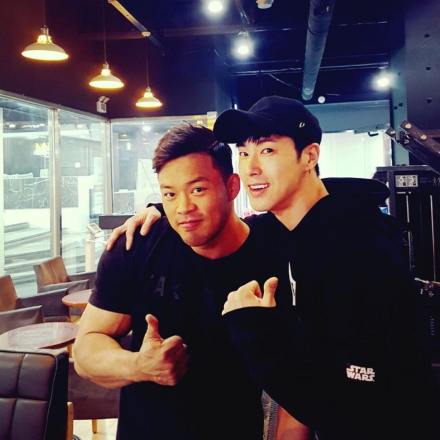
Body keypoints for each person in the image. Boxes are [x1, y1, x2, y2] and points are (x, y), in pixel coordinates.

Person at [111, 96, 438, 439]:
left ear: (309, 156)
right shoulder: (290, 231)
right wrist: (166, 210)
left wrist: (252, 327)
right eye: (243, 153)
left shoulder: (358, 248)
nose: (251, 168)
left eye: (267, 150)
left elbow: (355, 406)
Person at [74, 123, 310, 440]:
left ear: (232, 187)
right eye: (169, 194)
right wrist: (139, 365)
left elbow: (298, 379)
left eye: (198, 190)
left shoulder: (275, 257)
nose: (183, 208)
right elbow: (86, 350)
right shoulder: (137, 246)